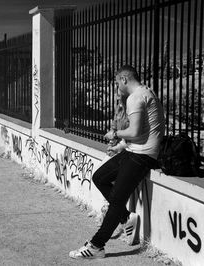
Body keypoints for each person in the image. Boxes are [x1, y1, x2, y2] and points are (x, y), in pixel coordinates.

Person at [69, 65, 165, 260]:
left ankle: (96, 246)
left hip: (142, 156)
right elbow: (145, 131)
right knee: (100, 177)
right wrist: (121, 146)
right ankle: (126, 217)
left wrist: (115, 134)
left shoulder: (135, 98)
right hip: (133, 151)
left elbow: (135, 132)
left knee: (117, 200)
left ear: (124, 79)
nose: (116, 86)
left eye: (116, 82)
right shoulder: (147, 92)